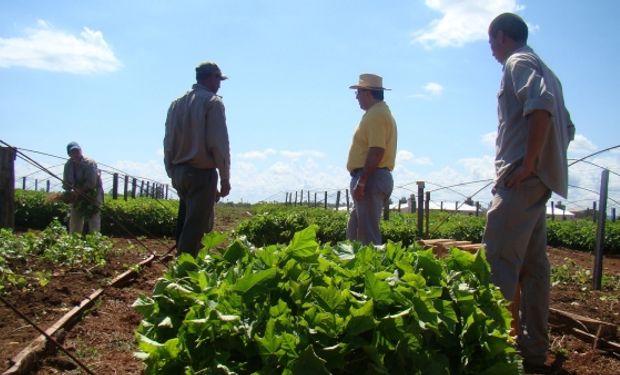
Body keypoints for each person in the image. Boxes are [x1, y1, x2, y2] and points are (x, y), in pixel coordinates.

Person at [483, 13, 575, 370]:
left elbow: (540, 109)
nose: (491, 50)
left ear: (502, 37)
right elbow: (566, 125)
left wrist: (527, 164)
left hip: (520, 183)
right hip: (538, 185)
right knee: (534, 270)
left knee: (499, 262)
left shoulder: (518, 61)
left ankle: (485, 353)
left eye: (492, 42)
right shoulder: (546, 69)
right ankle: (534, 351)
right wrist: (544, 167)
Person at [164, 61, 231, 257]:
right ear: (211, 77)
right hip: (201, 173)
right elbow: (218, 144)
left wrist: (171, 170)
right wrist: (225, 178)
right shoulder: (212, 102)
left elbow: (168, 141)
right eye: (218, 79)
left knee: (186, 220)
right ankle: (184, 275)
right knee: (196, 228)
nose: (219, 84)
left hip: (179, 172)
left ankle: (183, 267)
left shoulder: (176, 104)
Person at [346, 74, 397, 245]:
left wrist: (362, 181)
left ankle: (373, 270)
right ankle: (353, 269)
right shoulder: (377, 112)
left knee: (368, 236)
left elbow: (377, 150)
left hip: (371, 178)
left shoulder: (376, 115)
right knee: (354, 232)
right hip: (371, 177)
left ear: (368, 93)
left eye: (358, 93)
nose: (357, 98)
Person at [62, 142, 104, 234]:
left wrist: (78, 192)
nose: (75, 154)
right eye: (73, 152)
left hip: (93, 194)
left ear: (80, 151)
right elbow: (66, 183)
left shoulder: (89, 163)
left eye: (77, 151)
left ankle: (95, 240)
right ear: (69, 154)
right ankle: (74, 240)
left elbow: (91, 183)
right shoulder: (68, 165)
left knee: (93, 218)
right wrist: (67, 193)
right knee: (75, 218)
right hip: (77, 195)